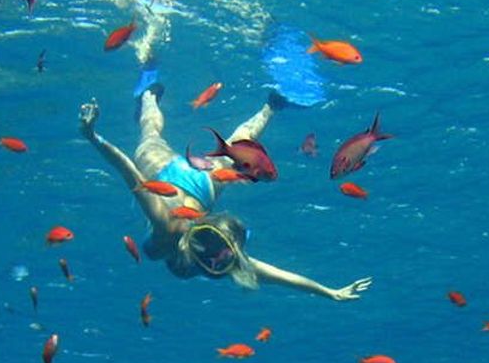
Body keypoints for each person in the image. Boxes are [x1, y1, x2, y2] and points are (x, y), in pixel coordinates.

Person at [78, 86, 372, 301]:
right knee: (226, 144)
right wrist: (328, 292)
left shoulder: (167, 229)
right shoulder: (218, 253)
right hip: (196, 185)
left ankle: (148, 96)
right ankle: (271, 105)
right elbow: (280, 276)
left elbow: (129, 172)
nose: (218, 256)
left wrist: (93, 137)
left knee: (153, 135)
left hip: (176, 180)